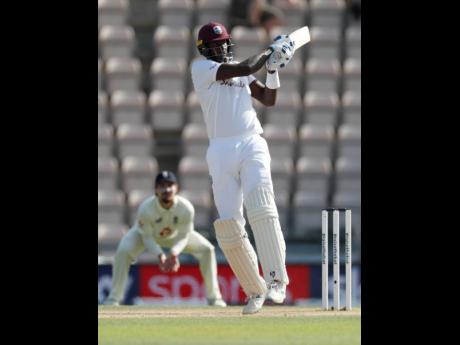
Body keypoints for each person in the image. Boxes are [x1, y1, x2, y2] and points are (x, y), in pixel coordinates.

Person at [190, 22, 295, 314]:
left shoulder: (237, 67)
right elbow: (247, 68)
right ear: (204, 49)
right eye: (216, 45)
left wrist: (273, 69)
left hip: (251, 143)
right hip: (220, 150)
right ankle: (254, 289)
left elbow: (268, 99)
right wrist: (270, 51)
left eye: (225, 42)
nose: (222, 48)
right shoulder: (201, 70)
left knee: (261, 207)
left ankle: (276, 279)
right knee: (229, 226)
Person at [104, 170, 227, 307]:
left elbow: (184, 235)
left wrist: (174, 253)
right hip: (146, 236)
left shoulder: (186, 208)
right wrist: (160, 255)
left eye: (170, 185)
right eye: (162, 186)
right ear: (156, 190)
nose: (166, 189)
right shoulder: (146, 208)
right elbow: (148, 238)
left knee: (207, 250)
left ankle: (214, 298)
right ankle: (114, 298)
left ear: (177, 188)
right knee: (123, 251)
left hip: (176, 237)